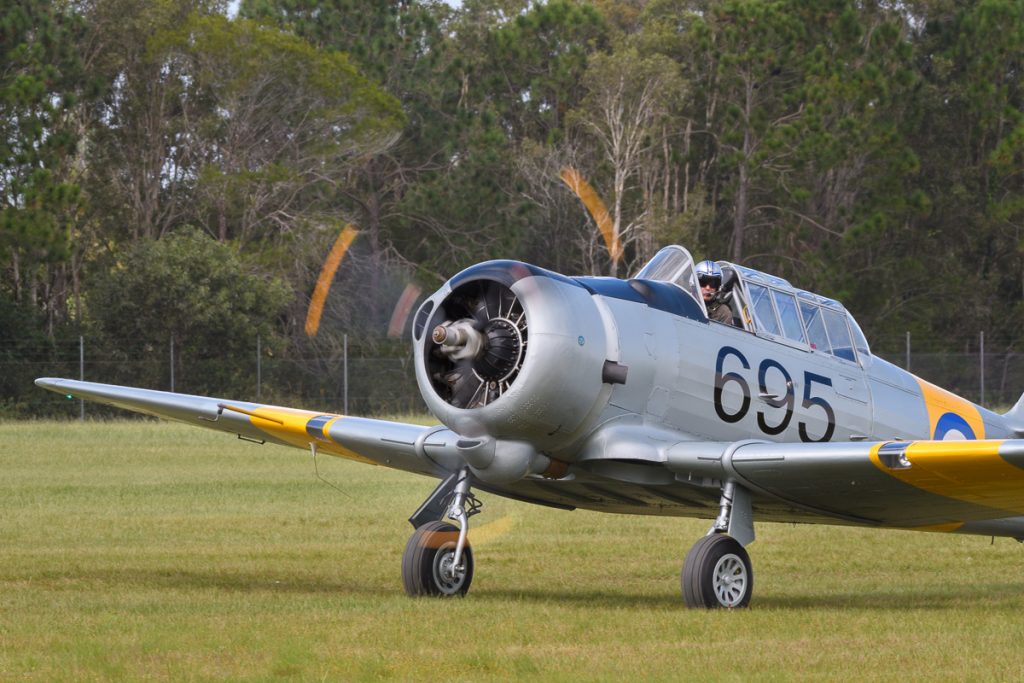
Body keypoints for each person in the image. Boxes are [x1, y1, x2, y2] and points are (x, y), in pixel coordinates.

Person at [695, 260, 734, 326]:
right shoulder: (684, 300)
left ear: (718, 287)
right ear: (694, 283)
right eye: (703, 282)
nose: (708, 288)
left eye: (713, 284)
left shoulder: (723, 311)